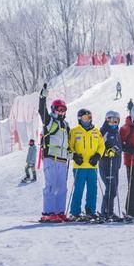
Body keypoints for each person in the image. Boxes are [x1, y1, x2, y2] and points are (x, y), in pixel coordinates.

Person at [38, 83, 71, 223]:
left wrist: (70, 152)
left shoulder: (66, 125)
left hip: (63, 160)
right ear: (54, 109)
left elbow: (68, 143)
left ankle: (59, 212)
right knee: (51, 185)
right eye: (59, 109)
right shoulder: (49, 121)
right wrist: (42, 97)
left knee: (62, 187)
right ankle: (48, 212)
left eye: (64, 109)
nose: (62, 112)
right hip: (50, 158)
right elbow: (41, 110)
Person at [68, 108, 105, 220]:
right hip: (79, 166)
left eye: (88, 118)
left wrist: (97, 156)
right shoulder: (74, 131)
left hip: (92, 166)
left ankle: (90, 210)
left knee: (92, 189)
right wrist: (74, 155)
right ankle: (75, 212)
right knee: (78, 189)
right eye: (84, 118)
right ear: (79, 119)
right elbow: (70, 146)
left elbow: (101, 145)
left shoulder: (96, 132)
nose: (87, 120)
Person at [99, 110, 122, 221]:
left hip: (115, 165)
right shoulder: (104, 132)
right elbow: (98, 148)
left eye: (116, 121)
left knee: (113, 189)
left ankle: (109, 212)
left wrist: (127, 148)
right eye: (111, 120)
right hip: (106, 165)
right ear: (106, 120)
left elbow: (118, 148)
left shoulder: (117, 133)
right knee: (110, 189)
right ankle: (106, 212)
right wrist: (108, 152)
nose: (113, 123)